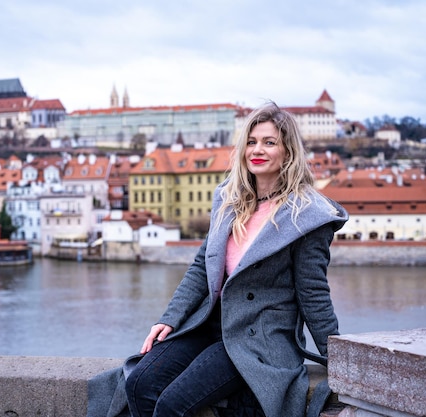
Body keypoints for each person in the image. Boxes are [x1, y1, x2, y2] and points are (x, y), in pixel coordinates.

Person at [123, 102, 349, 417]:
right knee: (138, 385)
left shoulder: (307, 215)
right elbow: (202, 268)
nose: (257, 150)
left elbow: (313, 293)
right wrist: (169, 318)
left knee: (173, 404)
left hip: (258, 335)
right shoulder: (229, 199)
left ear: (288, 152)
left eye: (269, 142)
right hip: (210, 323)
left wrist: (337, 356)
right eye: (252, 142)